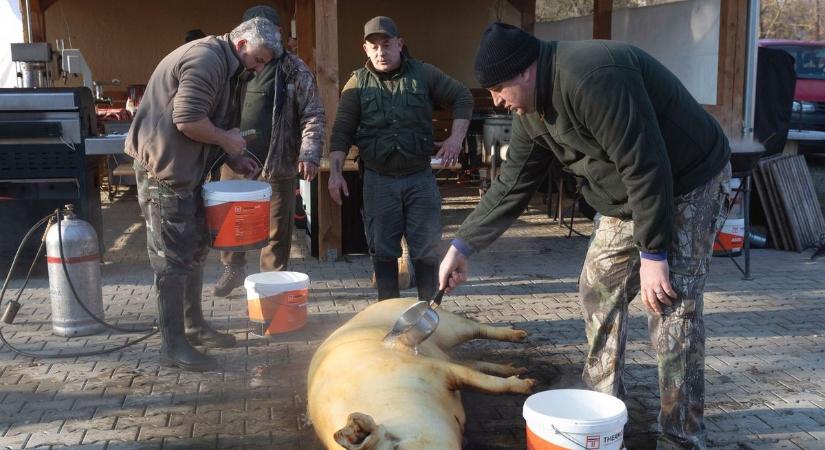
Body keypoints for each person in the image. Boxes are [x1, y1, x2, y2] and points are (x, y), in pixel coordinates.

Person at [439, 23, 731, 449]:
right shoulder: (531, 113)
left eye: (499, 88)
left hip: (688, 181)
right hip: (627, 194)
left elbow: (646, 163)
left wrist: (653, 255)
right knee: (598, 289)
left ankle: (682, 435)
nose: (497, 101)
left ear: (525, 71)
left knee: (670, 309)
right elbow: (511, 185)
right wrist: (462, 245)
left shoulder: (593, 78)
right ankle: (603, 415)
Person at [125, 17, 281, 371]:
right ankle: (173, 344)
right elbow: (188, 119)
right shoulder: (207, 58)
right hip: (166, 171)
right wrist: (228, 141)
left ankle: (193, 325)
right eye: (258, 59)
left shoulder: (230, 65)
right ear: (241, 45)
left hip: (190, 171)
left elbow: (213, 121)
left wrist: (233, 156)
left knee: (195, 249)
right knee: (171, 259)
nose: (259, 68)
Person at [328, 16, 473, 301]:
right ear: (365, 49)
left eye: (387, 44)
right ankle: (388, 314)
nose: (381, 52)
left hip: (419, 178)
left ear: (400, 44)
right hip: (378, 180)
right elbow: (341, 132)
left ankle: (430, 315)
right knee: (383, 251)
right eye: (374, 46)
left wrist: (456, 139)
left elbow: (462, 97)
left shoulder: (423, 73)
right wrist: (335, 173)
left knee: (426, 249)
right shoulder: (356, 83)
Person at [213, 6, 325, 297]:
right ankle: (233, 268)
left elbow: (313, 113)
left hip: (277, 165)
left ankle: (271, 287)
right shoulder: (231, 67)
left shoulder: (294, 69)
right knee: (231, 223)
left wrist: (309, 153)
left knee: (276, 234)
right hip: (233, 161)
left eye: (274, 31)